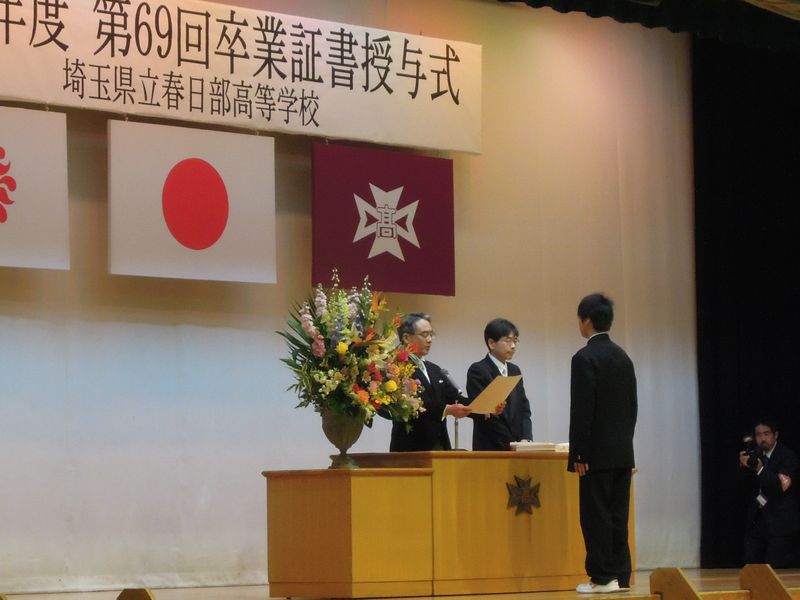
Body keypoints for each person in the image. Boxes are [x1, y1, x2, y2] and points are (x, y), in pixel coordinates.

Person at [568, 293, 637, 594]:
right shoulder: (623, 357)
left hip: (594, 455)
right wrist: (625, 446)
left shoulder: (584, 358)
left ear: (586, 320)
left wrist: (579, 453)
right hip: (622, 452)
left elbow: (582, 410)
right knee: (618, 516)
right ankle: (621, 576)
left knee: (595, 516)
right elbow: (632, 407)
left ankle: (601, 577)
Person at [389, 312, 472, 452]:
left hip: (440, 447)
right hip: (411, 449)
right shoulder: (396, 368)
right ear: (406, 338)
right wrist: (447, 410)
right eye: (425, 334)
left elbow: (456, 399)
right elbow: (413, 404)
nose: (430, 339)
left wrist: (484, 406)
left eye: (431, 334)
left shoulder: (434, 369)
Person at [739, 418, 799, 568]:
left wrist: (760, 469)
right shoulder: (756, 455)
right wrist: (743, 466)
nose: (762, 439)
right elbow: (743, 487)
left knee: (775, 569)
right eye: (758, 435)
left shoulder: (787, 456)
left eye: (766, 434)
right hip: (757, 519)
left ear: (775, 435)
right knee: (751, 567)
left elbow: (780, 486)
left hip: (779, 523)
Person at [465, 318, 532, 450]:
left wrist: (526, 438)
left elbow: (524, 407)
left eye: (515, 340)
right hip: (491, 446)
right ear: (491, 343)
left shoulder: (514, 370)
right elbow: (485, 414)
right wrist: (511, 443)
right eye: (508, 340)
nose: (513, 346)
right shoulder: (478, 370)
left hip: (518, 446)